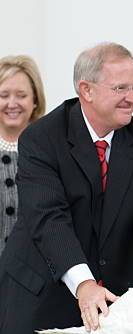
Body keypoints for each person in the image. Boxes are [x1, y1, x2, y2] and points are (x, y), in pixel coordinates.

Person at [0, 43, 133, 334]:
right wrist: (84, 284)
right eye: (120, 88)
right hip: (40, 301)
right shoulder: (41, 138)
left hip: (116, 307)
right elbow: (48, 218)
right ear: (87, 90)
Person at [0, 55, 46, 254]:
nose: (12, 103)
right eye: (4, 95)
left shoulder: (49, 150)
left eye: (21, 95)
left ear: (35, 100)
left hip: (34, 278)